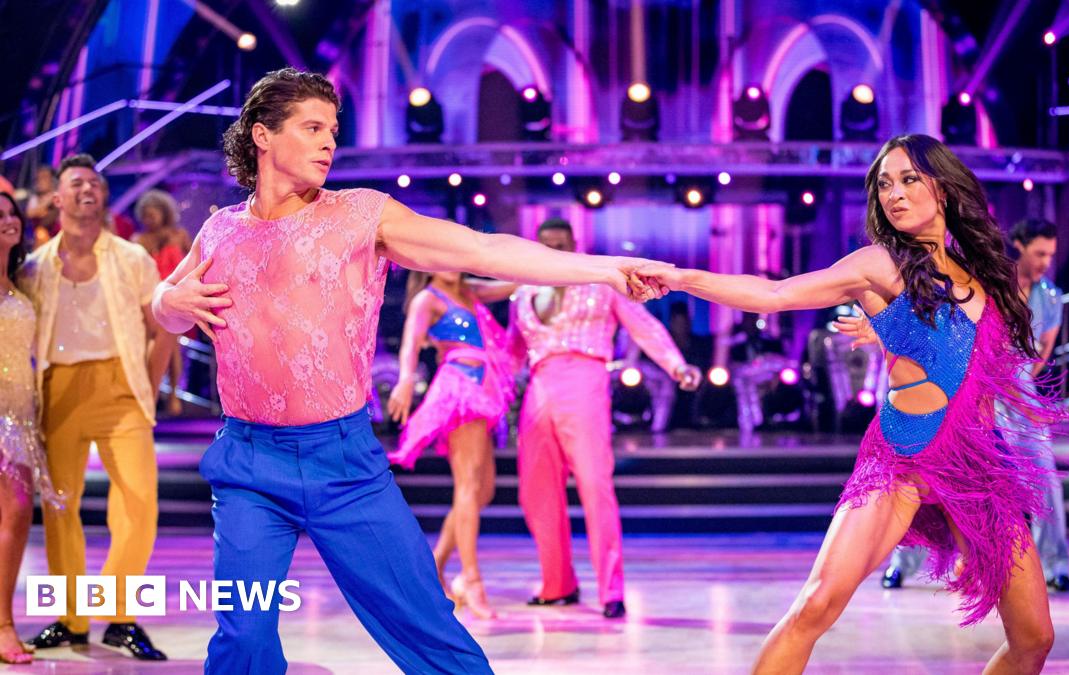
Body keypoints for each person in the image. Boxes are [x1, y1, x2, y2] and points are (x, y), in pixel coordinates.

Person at [152, 67, 660, 674]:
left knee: (430, 634)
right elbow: (169, 308)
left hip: (342, 463)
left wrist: (602, 269)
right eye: (311, 128)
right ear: (262, 136)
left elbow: (483, 250)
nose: (328, 143)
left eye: (332, 131)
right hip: (249, 465)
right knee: (243, 641)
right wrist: (167, 301)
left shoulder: (362, 216)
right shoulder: (222, 230)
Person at [637, 134, 1069, 674]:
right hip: (905, 456)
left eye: (910, 179)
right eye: (885, 183)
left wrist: (887, 330)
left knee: (1034, 637)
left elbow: (958, 352)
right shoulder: (878, 262)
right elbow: (775, 293)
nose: (895, 193)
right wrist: (681, 278)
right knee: (816, 605)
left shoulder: (981, 269)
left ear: (944, 184)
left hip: (979, 461)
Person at [866, 218, 1069, 593]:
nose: (1045, 261)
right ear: (1021, 246)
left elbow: (1042, 351)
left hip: (1020, 395)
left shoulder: (1052, 297)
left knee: (1044, 477)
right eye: (1040, 253)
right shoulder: (992, 285)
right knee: (929, 477)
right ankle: (903, 562)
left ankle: (1056, 566)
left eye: (1050, 255)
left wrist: (1019, 386)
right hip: (978, 387)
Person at [509, 218, 702, 620]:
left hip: (585, 381)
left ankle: (610, 590)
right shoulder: (525, 289)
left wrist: (676, 365)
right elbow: (512, 350)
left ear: (576, 243)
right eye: (547, 245)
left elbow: (644, 326)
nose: (555, 250)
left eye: (562, 243)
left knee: (595, 486)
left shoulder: (600, 283)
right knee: (536, 489)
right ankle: (557, 584)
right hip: (539, 386)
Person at [20, 155, 173, 661]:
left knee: (139, 503)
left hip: (120, 385)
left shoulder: (131, 257)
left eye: (94, 182)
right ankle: (71, 619)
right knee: (60, 506)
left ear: (103, 196)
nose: (86, 189)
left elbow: (164, 325)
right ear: (57, 199)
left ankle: (118, 613)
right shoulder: (35, 266)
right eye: (75, 183)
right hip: (59, 387)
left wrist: (148, 389)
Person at [387, 271, 518, 619]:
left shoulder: (470, 291)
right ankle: (471, 578)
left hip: (485, 388)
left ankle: (434, 567)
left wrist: (558, 267)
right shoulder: (427, 299)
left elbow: (515, 282)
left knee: (483, 490)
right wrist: (404, 381)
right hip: (460, 388)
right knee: (468, 486)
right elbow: (410, 345)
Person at [0, 193, 59, 665]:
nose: (6, 220)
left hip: (17, 420)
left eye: (10, 214)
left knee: (17, 516)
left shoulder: (23, 285)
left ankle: (3, 623)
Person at [135, 189, 191, 416]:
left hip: (176, 299)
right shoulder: (139, 240)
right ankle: (152, 393)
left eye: (153, 214)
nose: (149, 219)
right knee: (151, 348)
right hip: (149, 301)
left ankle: (174, 395)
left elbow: (196, 263)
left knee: (175, 349)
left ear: (164, 213)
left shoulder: (179, 236)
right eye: (145, 215)